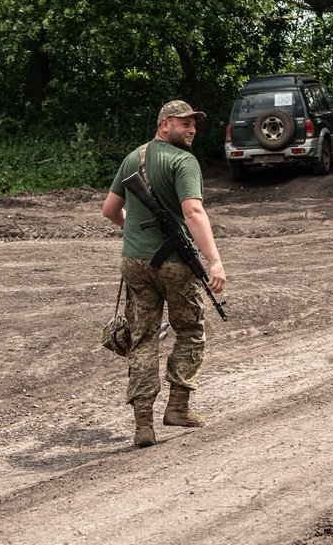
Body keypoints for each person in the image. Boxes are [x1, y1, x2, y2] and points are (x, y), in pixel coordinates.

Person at [101, 100, 228, 447]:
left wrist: (134, 232)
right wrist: (214, 260)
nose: (191, 130)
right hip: (174, 264)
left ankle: (144, 424)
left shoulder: (133, 157)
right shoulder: (183, 161)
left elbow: (110, 210)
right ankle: (177, 408)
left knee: (142, 339)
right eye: (184, 123)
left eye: (194, 125)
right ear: (164, 125)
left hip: (134, 263)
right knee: (189, 330)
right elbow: (194, 212)